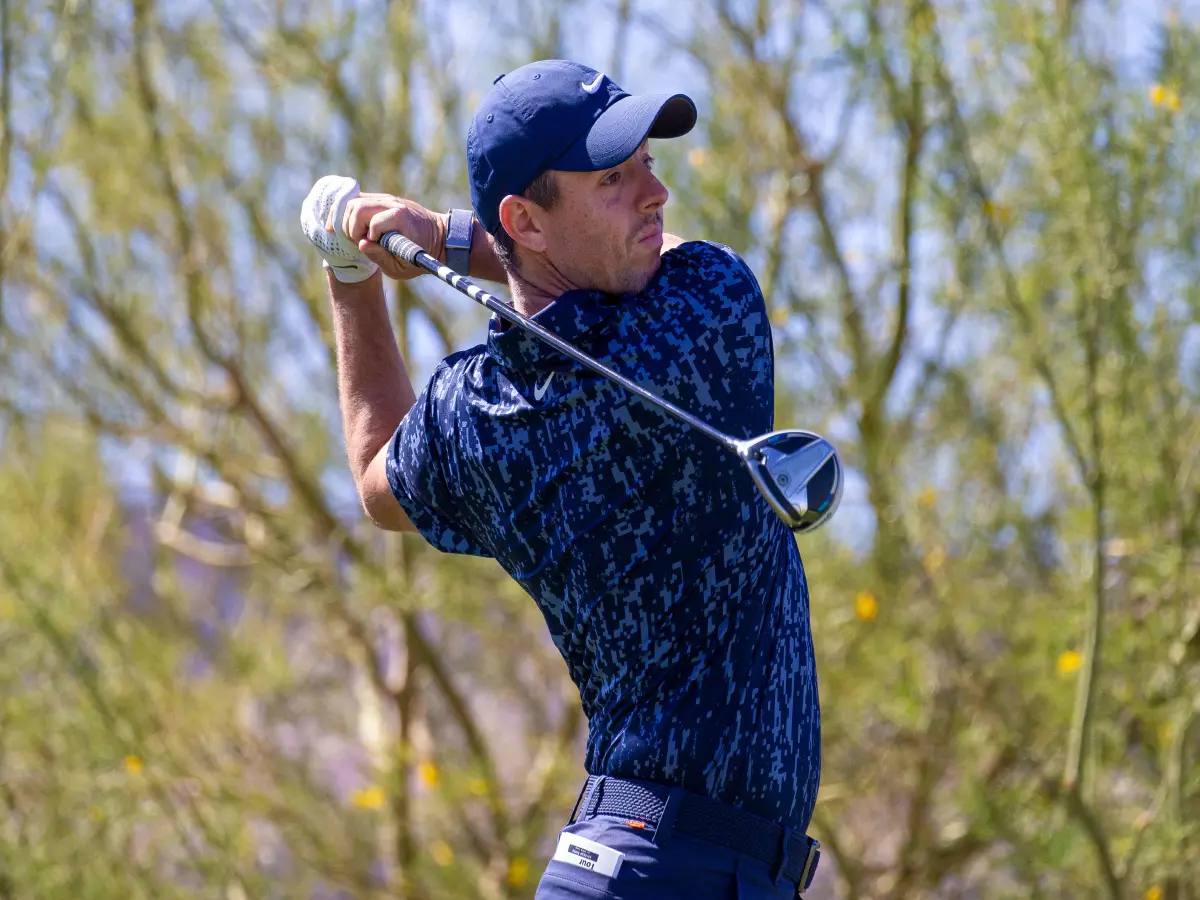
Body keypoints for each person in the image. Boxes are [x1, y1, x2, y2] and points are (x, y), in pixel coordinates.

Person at [300, 59, 822, 900]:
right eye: (614, 178)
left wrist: (349, 273)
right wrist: (440, 232)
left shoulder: (474, 416)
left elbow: (373, 474)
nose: (654, 194)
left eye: (648, 163)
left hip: (627, 858)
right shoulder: (704, 320)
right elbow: (683, 258)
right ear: (526, 220)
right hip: (678, 868)